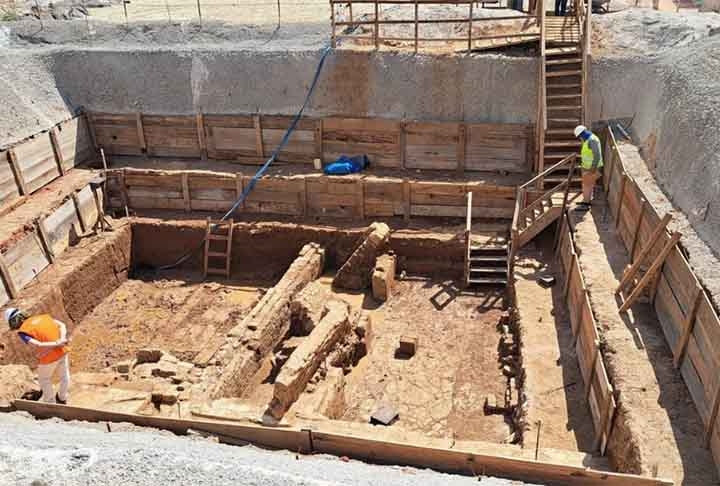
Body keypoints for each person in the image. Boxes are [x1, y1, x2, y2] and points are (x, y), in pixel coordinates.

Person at [4, 308, 71, 404]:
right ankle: (62, 398)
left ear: (13, 322)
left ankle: (50, 402)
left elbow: (38, 344)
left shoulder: (23, 331)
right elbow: (62, 325)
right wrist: (62, 340)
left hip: (49, 357)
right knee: (64, 376)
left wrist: (57, 343)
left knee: (44, 379)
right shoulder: (43, 317)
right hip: (62, 350)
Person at [573, 125, 604, 209]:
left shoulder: (592, 140)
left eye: (579, 137)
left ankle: (585, 205)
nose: (580, 139)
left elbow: (597, 156)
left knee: (587, 185)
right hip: (588, 167)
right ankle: (585, 201)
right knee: (587, 185)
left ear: (582, 134)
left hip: (592, 168)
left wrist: (592, 169)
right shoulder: (588, 140)